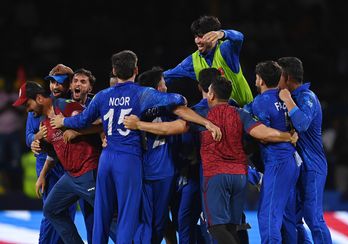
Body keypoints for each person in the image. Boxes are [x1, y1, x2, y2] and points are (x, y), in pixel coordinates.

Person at [50, 50, 221, 243]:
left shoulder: (102, 96)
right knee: (127, 215)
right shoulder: (142, 93)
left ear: (114, 70)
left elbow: (82, 120)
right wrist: (184, 101)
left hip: (106, 158)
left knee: (102, 213)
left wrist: (63, 121)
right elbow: (176, 100)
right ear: (136, 70)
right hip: (128, 159)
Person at [124, 76, 298, 244]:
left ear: (211, 95)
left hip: (215, 177)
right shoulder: (241, 113)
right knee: (232, 227)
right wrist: (287, 136)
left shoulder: (202, 114)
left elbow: (172, 128)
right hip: (239, 177)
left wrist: (140, 125)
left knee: (215, 228)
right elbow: (262, 133)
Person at [14, 81, 102, 244]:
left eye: (28, 104)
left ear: (39, 98)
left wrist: (74, 129)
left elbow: (100, 124)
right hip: (71, 176)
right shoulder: (44, 123)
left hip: (88, 171)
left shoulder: (65, 106)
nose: (28, 110)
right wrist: (42, 175)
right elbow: (54, 154)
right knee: (51, 210)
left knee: (107, 218)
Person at [278, 57, 332, 244]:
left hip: (312, 166)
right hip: (297, 167)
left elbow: (302, 124)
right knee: (294, 218)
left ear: (287, 76)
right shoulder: (291, 98)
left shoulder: (307, 97)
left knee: (313, 219)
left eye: (279, 75)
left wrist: (287, 100)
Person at [246, 61, 300, 243]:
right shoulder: (286, 97)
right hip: (292, 160)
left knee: (267, 216)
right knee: (287, 217)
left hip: (277, 162)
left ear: (260, 80)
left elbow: (263, 136)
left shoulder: (261, 102)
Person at [25, 64, 74, 244]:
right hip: (48, 165)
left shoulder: (71, 106)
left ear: (69, 84)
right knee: (51, 211)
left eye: (60, 83)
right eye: (52, 82)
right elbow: (28, 137)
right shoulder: (39, 106)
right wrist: (35, 139)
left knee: (66, 212)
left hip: (69, 164)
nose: (55, 86)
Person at [164, 15, 253, 107]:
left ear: (213, 36)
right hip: (218, 116)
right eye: (195, 36)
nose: (197, 41)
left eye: (201, 36)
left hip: (245, 112)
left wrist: (222, 33)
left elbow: (239, 37)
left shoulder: (225, 50)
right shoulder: (192, 61)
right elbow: (166, 76)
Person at [133, 67, 177, 244]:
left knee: (150, 221)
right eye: (164, 83)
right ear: (158, 89)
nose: (166, 87)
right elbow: (181, 126)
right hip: (160, 170)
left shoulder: (133, 109)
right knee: (156, 221)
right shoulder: (169, 108)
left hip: (142, 170)